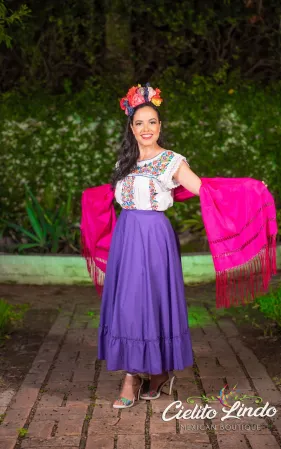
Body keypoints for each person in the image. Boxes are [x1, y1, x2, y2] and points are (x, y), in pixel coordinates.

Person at [97, 84, 202, 409]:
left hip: (155, 238)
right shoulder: (124, 163)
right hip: (126, 237)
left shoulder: (171, 161)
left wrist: (249, 192)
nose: (146, 128)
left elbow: (204, 190)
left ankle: (151, 374)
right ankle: (136, 374)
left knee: (153, 301)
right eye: (140, 122)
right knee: (128, 304)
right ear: (131, 127)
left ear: (160, 126)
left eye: (152, 122)